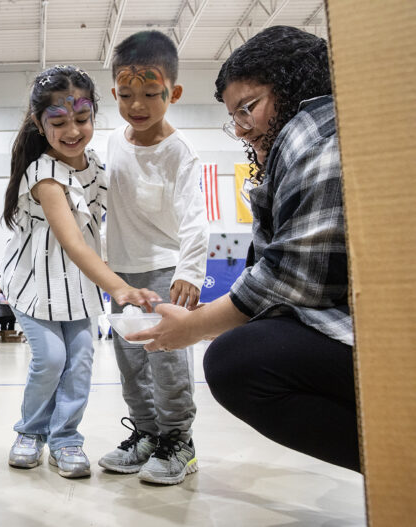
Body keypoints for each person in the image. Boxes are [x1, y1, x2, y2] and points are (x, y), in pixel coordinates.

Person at [127, 26, 359, 473]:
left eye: (247, 109)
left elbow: (293, 278)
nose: (240, 129)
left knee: (239, 362)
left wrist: (196, 325)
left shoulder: (314, 132)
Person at [0, 65, 159, 479]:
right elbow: (73, 242)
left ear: (93, 116)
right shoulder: (44, 174)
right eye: (59, 122)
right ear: (39, 123)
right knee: (50, 359)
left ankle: (66, 438)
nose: (73, 130)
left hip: (79, 289)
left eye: (82, 119)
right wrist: (121, 289)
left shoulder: (99, 167)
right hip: (36, 286)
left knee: (81, 361)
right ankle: (30, 432)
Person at [97, 30, 209, 486]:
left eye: (149, 93)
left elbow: (195, 218)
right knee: (131, 361)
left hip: (165, 269)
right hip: (121, 274)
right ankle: (145, 435)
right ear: (114, 92)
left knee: (167, 362)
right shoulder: (111, 144)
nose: (137, 104)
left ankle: (178, 442)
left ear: (174, 93)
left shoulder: (180, 152)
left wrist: (190, 270)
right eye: (126, 94)